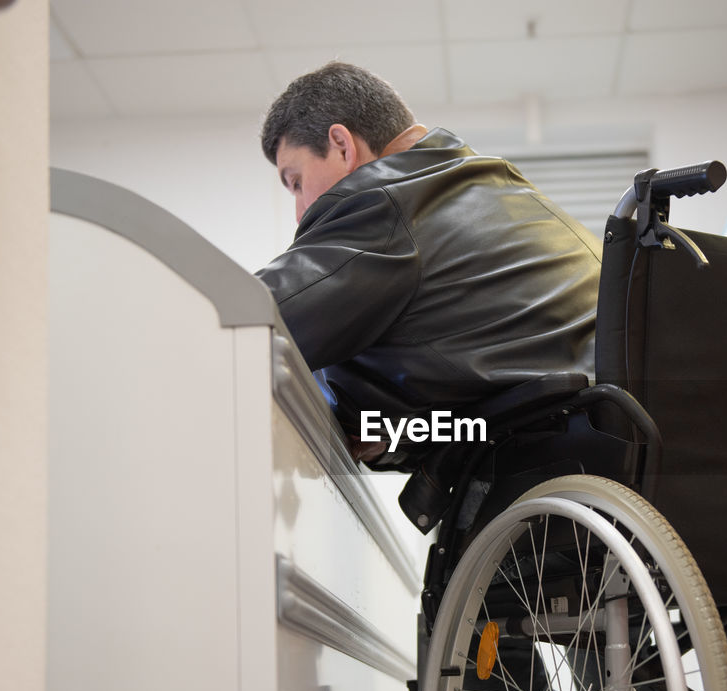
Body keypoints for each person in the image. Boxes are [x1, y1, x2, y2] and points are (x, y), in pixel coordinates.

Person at [255, 61, 601, 469]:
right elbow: (478, 376)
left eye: (296, 181)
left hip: (546, 457)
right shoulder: (491, 186)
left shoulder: (387, 203)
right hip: (608, 439)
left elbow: (255, 316)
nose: (299, 211)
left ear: (342, 146)